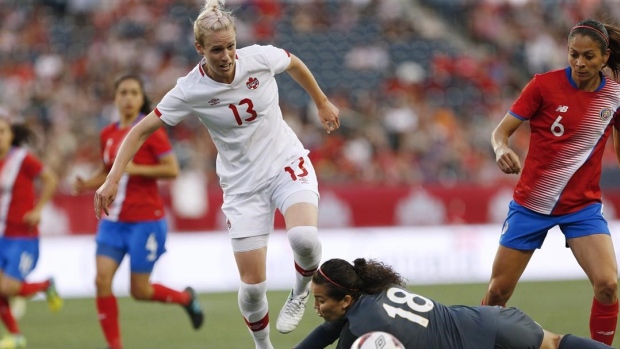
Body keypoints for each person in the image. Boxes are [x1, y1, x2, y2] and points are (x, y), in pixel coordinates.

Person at [93, 1, 340, 347]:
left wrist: (321, 101)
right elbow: (140, 130)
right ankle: (262, 345)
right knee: (253, 289)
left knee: (305, 240)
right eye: (216, 50)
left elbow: (294, 63)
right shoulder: (189, 89)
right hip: (242, 185)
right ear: (200, 49)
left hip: (285, 161)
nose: (226, 56)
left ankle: (300, 292)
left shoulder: (259, 58)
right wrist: (113, 177)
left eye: (230, 46)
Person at [483, 18, 620, 346]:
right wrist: (501, 149)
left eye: (588, 56)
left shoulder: (614, 98)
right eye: (573, 54)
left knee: (608, 285)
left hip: (582, 208)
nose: (579, 63)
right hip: (531, 205)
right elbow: (500, 132)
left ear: (605, 57)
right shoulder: (543, 85)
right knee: (498, 292)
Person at [73, 73, 204, 349]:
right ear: (116, 98)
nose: (129, 98)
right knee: (101, 280)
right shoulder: (107, 134)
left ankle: (185, 299)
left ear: (141, 98)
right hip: (113, 222)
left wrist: (136, 169)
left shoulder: (149, 130)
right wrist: (87, 183)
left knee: (139, 291)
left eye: (134, 93)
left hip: (145, 222)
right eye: (123, 92)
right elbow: (107, 171)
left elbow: (172, 169)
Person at [296, 258, 615, 349]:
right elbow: (326, 332)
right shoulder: (371, 292)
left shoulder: (361, 328)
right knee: (556, 344)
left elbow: (335, 332)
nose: (317, 307)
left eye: (321, 300)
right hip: (490, 322)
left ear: (346, 300)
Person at [0, 117, 62, 349]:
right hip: (2, 236)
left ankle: (46, 285)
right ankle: (16, 336)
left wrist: (37, 209)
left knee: (8, 288)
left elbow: (51, 179)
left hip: (23, 237)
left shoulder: (22, 159)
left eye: (2, 131)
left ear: (11, 135)